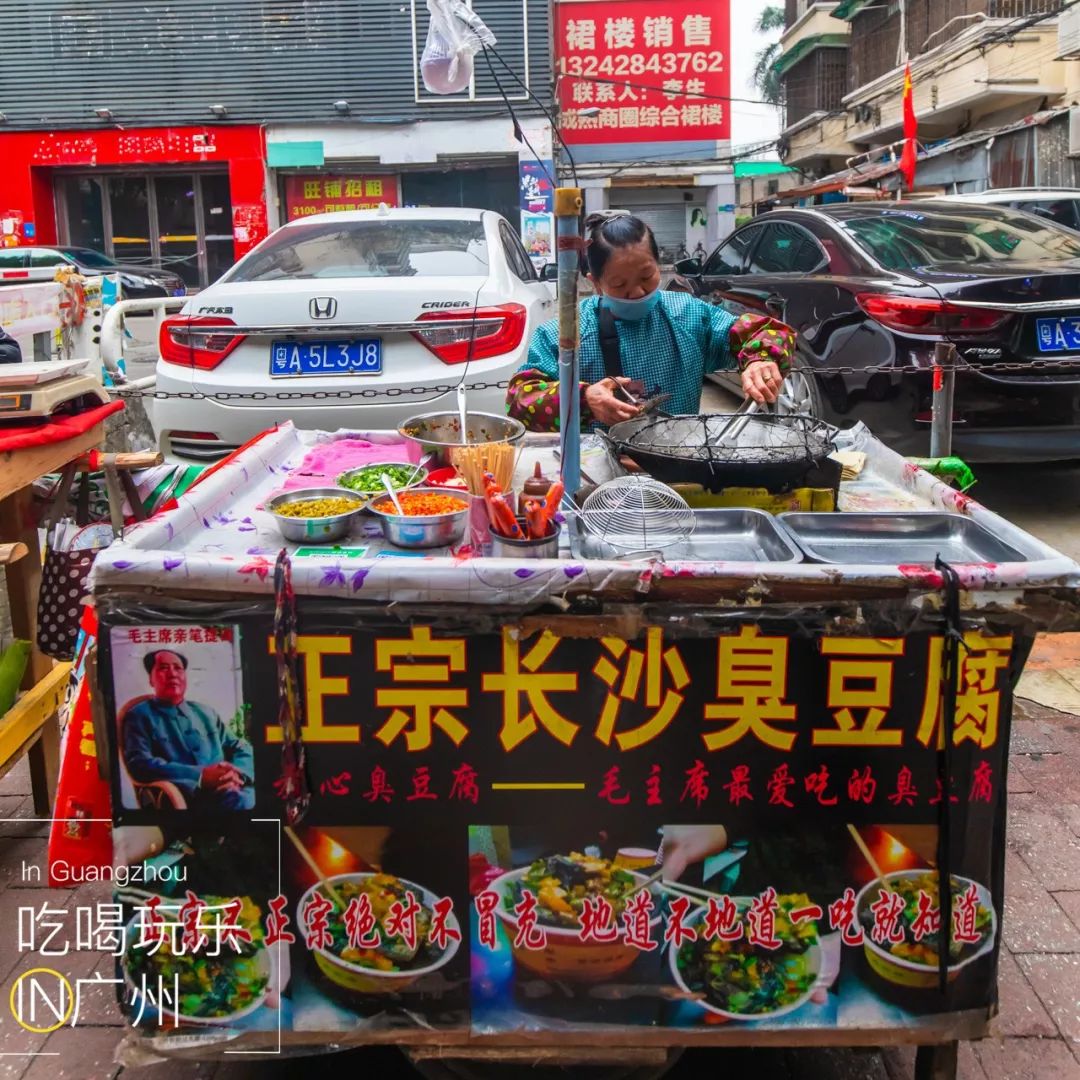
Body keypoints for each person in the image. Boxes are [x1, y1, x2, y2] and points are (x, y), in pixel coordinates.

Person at [506, 212, 796, 431]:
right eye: (619, 284)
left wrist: (760, 359)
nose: (637, 292)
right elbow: (520, 399)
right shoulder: (566, 334)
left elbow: (764, 330)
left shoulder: (689, 315)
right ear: (595, 283)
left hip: (680, 462)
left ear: (659, 265)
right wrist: (584, 399)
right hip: (597, 474)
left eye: (647, 277)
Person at [122, 649, 255, 811]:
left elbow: (240, 746)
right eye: (163, 668)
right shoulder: (138, 716)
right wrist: (200, 776)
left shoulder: (205, 712)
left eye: (178, 668)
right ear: (151, 679)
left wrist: (237, 774)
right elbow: (140, 764)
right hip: (190, 800)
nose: (172, 674)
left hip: (235, 790)